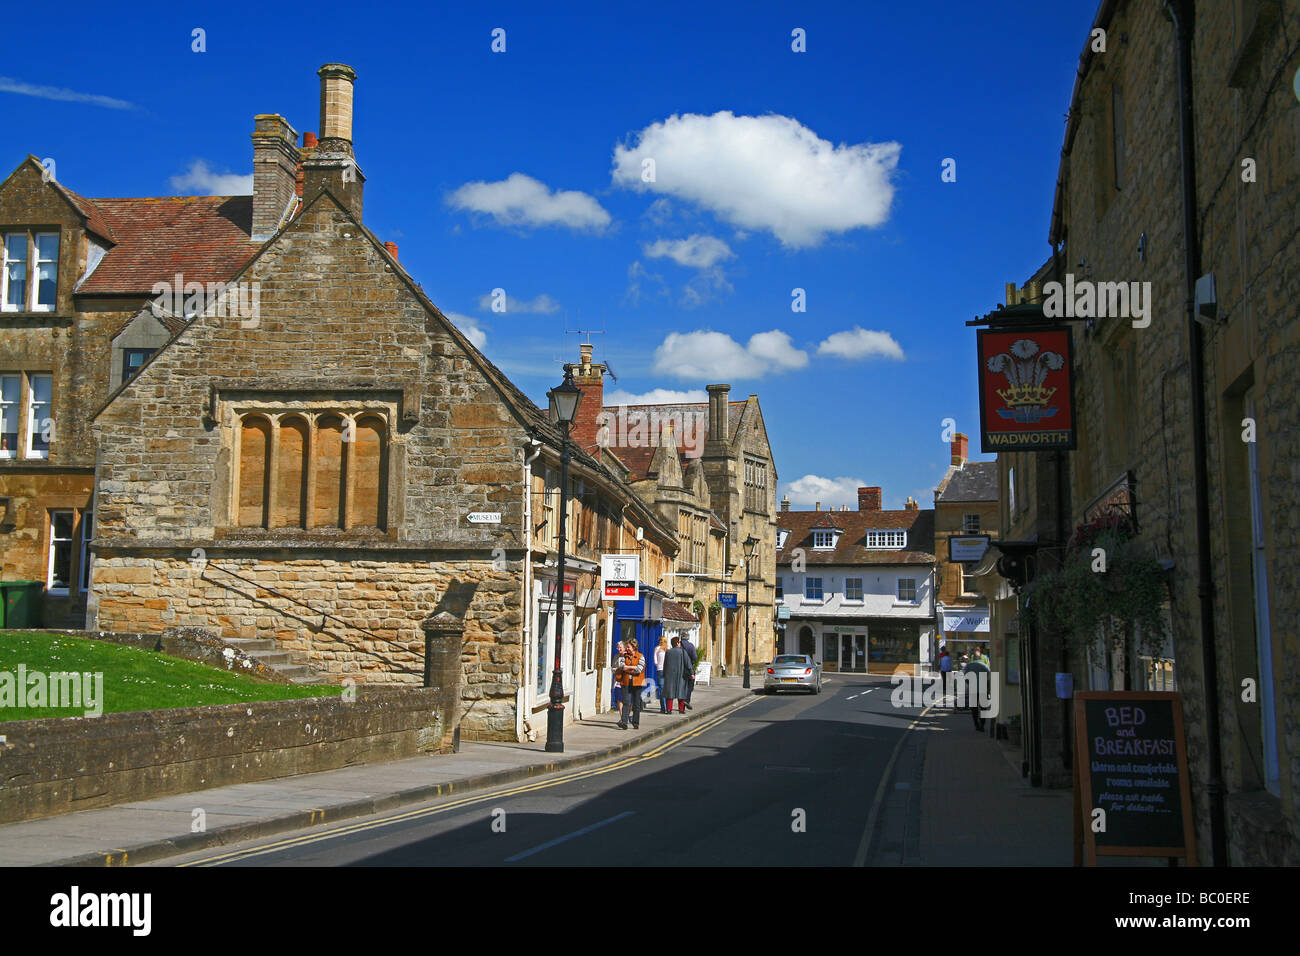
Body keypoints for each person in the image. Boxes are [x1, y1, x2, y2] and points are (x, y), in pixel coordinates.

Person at [617, 637, 645, 730]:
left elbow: (638, 670)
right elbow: (621, 667)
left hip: (637, 683)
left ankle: (636, 723)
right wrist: (632, 667)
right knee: (626, 702)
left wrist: (628, 667)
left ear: (634, 647)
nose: (627, 648)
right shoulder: (623, 656)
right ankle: (624, 722)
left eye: (628, 647)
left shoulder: (641, 656)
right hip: (626, 682)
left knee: (636, 704)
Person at [660, 636, 689, 714]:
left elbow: (665, 664)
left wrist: (664, 674)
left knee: (670, 693)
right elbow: (688, 663)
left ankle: (669, 710)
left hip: (670, 676)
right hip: (681, 675)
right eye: (679, 642)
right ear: (677, 643)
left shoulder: (668, 652)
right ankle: (681, 710)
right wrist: (692, 673)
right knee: (681, 693)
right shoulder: (683, 652)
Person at [963, 653, 992, 731]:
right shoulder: (985, 666)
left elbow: (965, 676)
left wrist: (969, 683)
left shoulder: (969, 665)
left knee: (974, 708)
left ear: (974, 658)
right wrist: (988, 689)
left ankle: (976, 724)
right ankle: (982, 724)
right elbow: (989, 678)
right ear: (981, 658)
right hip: (983, 689)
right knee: (983, 708)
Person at [680, 634, 698, 710]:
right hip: (689, 669)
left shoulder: (678, 645)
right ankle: (686, 700)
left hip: (680, 669)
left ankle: (681, 707)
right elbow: (695, 657)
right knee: (690, 686)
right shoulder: (690, 646)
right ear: (688, 638)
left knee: (681, 687)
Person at [654, 636, 670, 713]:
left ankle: (663, 708)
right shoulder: (668, 649)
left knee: (662, 689)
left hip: (660, 670)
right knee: (667, 689)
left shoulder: (657, 649)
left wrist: (659, 665)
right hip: (668, 671)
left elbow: (655, 661)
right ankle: (668, 707)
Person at [612, 640, 626, 710]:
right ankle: (622, 718)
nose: (619, 649)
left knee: (627, 701)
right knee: (619, 700)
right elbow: (613, 668)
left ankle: (626, 716)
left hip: (627, 681)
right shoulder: (616, 657)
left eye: (620, 647)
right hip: (618, 681)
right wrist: (616, 669)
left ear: (624, 648)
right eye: (618, 648)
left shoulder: (628, 657)